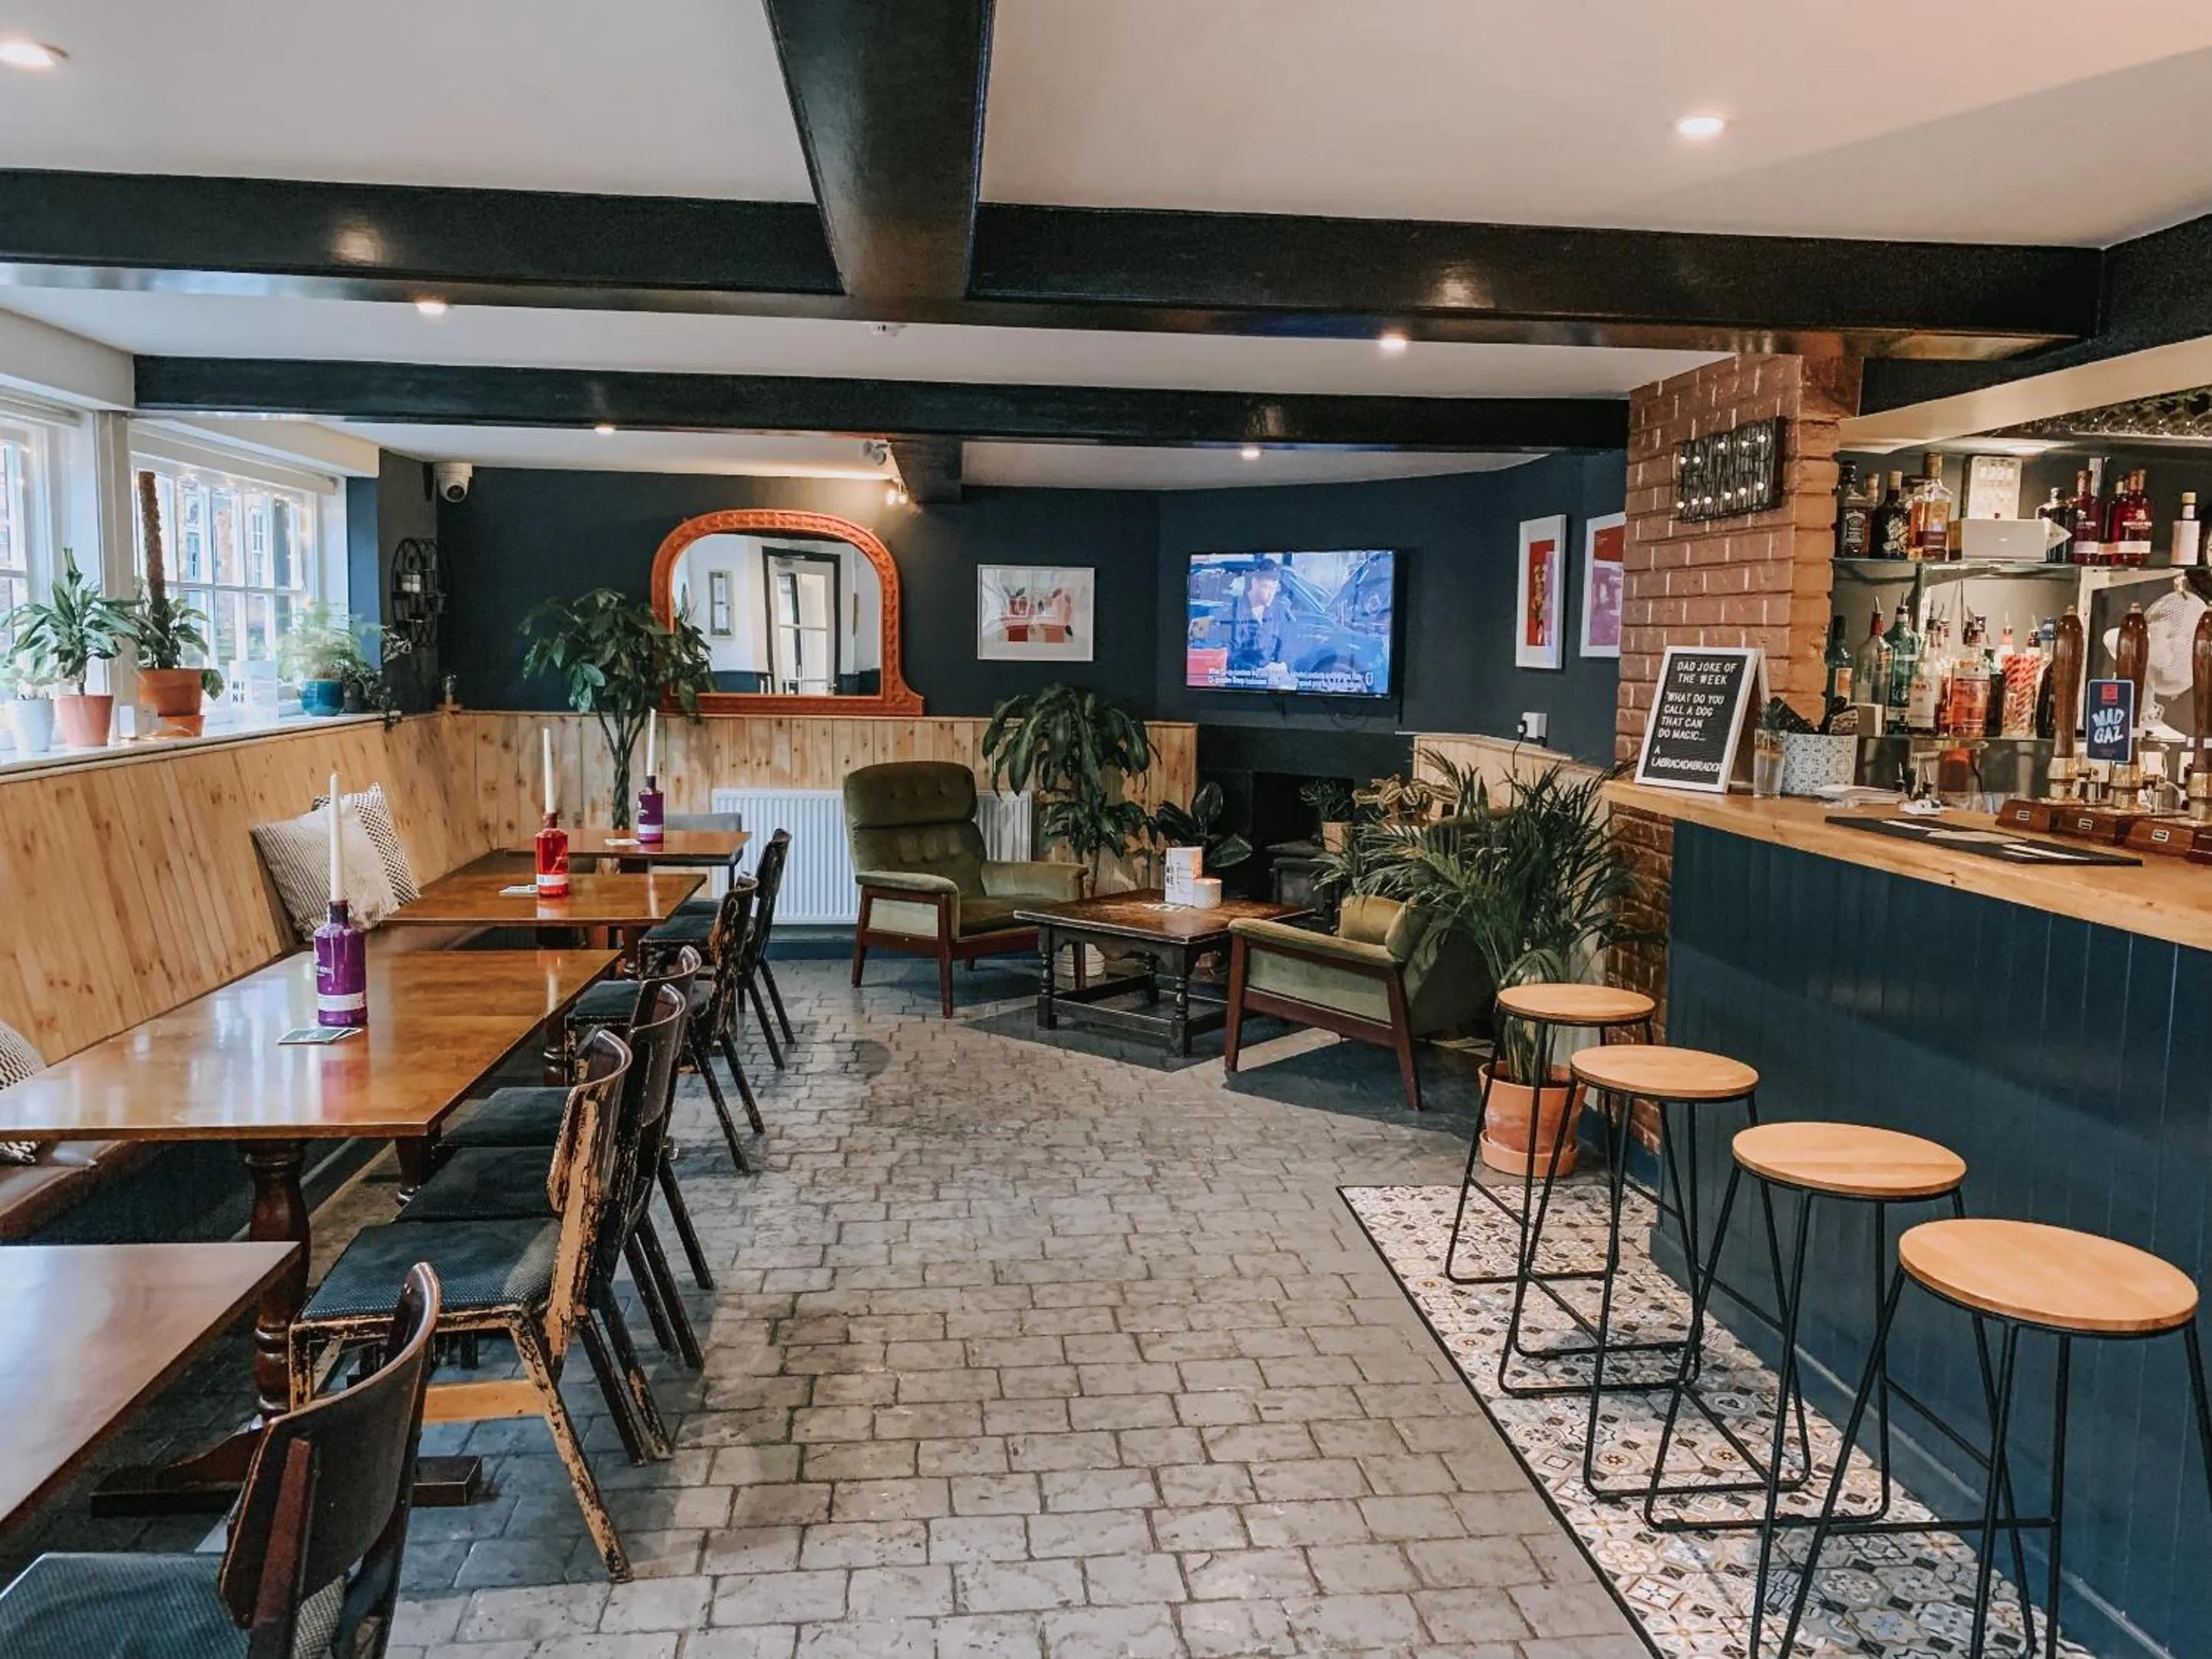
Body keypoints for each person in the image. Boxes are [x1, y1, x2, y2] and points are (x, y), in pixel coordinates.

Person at [1227, 559, 1290, 679]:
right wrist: (1257, 671)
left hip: (1272, 683)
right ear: (1255, 583)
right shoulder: (1234, 613)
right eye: (1266, 588)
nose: (1271, 594)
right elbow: (1230, 656)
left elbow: (1285, 646)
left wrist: (1282, 664)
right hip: (1243, 683)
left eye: (1274, 589)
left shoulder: (1278, 612)